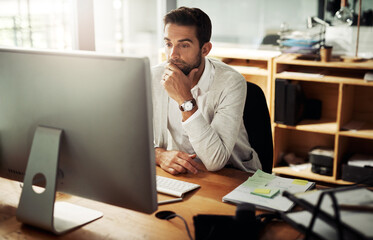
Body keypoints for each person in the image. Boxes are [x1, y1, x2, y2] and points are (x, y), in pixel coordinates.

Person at [152, 6, 261, 175]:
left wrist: (184, 99)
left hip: (233, 176)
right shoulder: (154, 76)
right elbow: (127, 137)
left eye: (184, 45)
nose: (173, 54)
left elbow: (215, 161)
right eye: (168, 44)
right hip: (184, 175)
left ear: (205, 50)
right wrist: (159, 155)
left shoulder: (231, 82)